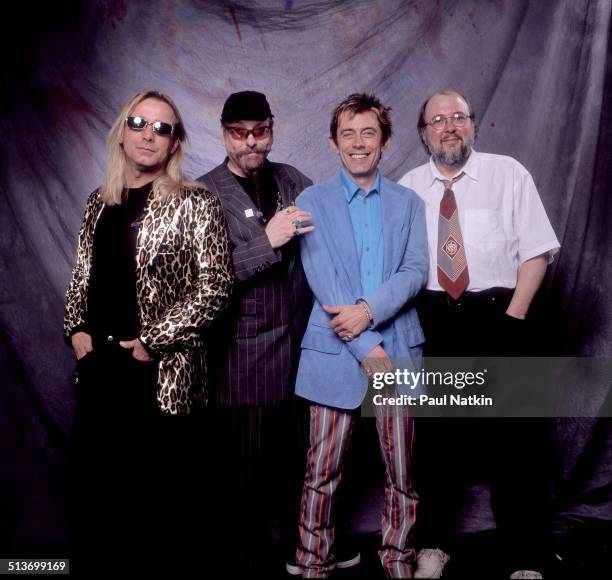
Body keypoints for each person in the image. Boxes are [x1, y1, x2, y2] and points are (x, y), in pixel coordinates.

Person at [64, 90, 232, 573]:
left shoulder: (196, 202)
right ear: (123, 129)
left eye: (163, 128)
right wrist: (76, 328)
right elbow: (82, 273)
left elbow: (216, 286)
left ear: (175, 143)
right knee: (97, 501)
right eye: (139, 122)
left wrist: (153, 341)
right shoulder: (99, 201)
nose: (149, 134)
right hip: (99, 370)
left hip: (161, 374)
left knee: (160, 512)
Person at [399, 89, 560, 579]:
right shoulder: (408, 187)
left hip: (502, 313)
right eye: (438, 120)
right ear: (424, 133)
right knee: (436, 440)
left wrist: (513, 320)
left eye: (459, 117)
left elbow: (536, 252)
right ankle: (433, 545)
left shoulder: (508, 174)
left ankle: (526, 553)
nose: (449, 126)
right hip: (434, 318)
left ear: (473, 125)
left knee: (518, 441)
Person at [293, 93, 428, 578]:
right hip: (334, 351)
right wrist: (366, 345)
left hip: (400, 352)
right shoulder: (310, 202)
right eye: (347, 133)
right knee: (321, 473)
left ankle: (398, 560)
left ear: (385, 140)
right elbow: (322, 276)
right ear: (333, 143)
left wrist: (370, 310)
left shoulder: (410, 203)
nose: (358, 142)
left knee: (403, 472)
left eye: (368, 132)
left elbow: (415, 271)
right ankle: (313, 564)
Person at [197, 91, 321, 577]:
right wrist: (265, 240)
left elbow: (328, 244)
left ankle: (301, 549)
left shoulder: (294, 180)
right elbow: (200, 282)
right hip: (240, 358)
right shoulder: (201, 194)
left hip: (299, 351)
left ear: (272, 128)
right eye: (239, 133)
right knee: (242, 474)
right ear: (224, 134)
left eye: (260, 131)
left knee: (295, 465)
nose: (251, 142)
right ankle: (243, 560)